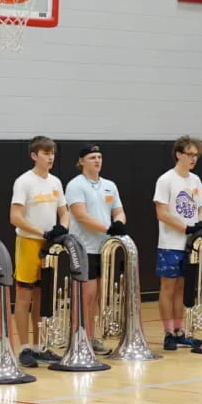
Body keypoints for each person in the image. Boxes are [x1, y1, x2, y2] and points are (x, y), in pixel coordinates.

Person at [10, 135, 69, 368]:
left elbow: (64, 213)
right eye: (46, 153)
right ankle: (24, 348)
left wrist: (60, 229)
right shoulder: (24, 181)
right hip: (28, 243)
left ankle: (40, 346)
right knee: (24, 297)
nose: (50, 157)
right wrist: (40, 232)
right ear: (35, 156)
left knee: (42, 297)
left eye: (52, 153)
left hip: (49, 247)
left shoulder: (55, 182)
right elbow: (15, 216)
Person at [65, 143, 127, 356]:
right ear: (82, 161)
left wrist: (119, 222)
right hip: (84, 248)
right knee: (87, 295)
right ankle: (80, 337)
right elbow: (81, 216)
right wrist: (109, 227)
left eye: (99, 157)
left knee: (101, 296)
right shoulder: (75, 185)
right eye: (92, 158)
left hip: (105, 249)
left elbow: (119, 211)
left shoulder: (110, 185)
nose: (97, 161)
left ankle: (92, 337)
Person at [153, 136, 202, 351]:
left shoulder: (195, 181)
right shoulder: (166, 180)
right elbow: (162, 213)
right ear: (179, 154)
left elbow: (201, 207)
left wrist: (201, 225)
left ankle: (180, 331)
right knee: (168, 287)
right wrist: (185, 228)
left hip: (190, 244)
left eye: (196, 155)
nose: (193, 159)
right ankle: (168, 333)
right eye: (190, 154)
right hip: (170, 242)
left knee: (182, 289)